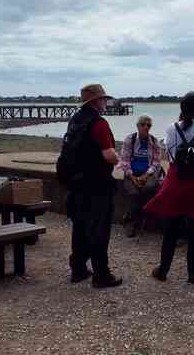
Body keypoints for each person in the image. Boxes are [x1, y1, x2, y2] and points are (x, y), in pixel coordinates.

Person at [144, 92, 194, 283]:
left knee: (170, 230)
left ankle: (163, 270)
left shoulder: (171, 128)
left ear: (182, 109)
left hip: (176, 183)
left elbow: (169, 154)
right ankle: (193, 272)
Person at [65, 84, 122, 288]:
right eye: (104, 99)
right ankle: (101, 275)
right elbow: (108, 155)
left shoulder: (75, 120)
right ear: (96, 101)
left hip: (76, 183)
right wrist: (118, 160)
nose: (106, 102)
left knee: (80, 227)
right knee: (99, 230)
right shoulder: (99, 124)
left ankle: (78, 270)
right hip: (97, 185)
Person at [117, 114, 163, 237]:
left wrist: (145, 176)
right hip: (132, 173)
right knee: (133, 193)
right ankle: (133, 222)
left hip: (148, 173)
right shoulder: (130, 140)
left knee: (149, 188)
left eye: (149, 125)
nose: (146, 127)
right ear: (137, 126)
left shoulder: (154, 142)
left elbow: (156, 162)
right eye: (143, 124)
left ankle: (130, 216)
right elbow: (124, 161)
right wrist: (133, 177)